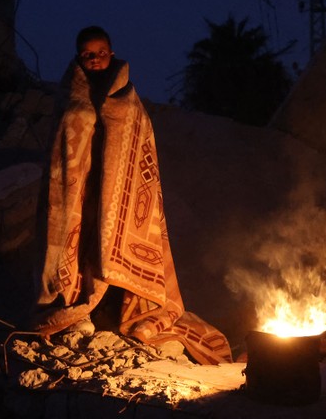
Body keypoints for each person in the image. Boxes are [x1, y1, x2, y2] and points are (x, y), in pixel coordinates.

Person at [34, 26, 232, 365]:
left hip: (118, 203)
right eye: (88, 54)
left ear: (111, 53)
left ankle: (119, 313)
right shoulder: (69, 100)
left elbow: (142, 152)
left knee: (111, 249)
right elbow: (61, 155)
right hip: (80, 197)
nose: (95, 59)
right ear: (79, 58)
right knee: (79, 250)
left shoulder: (129, 101)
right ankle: (77, 312)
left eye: (100, 53)